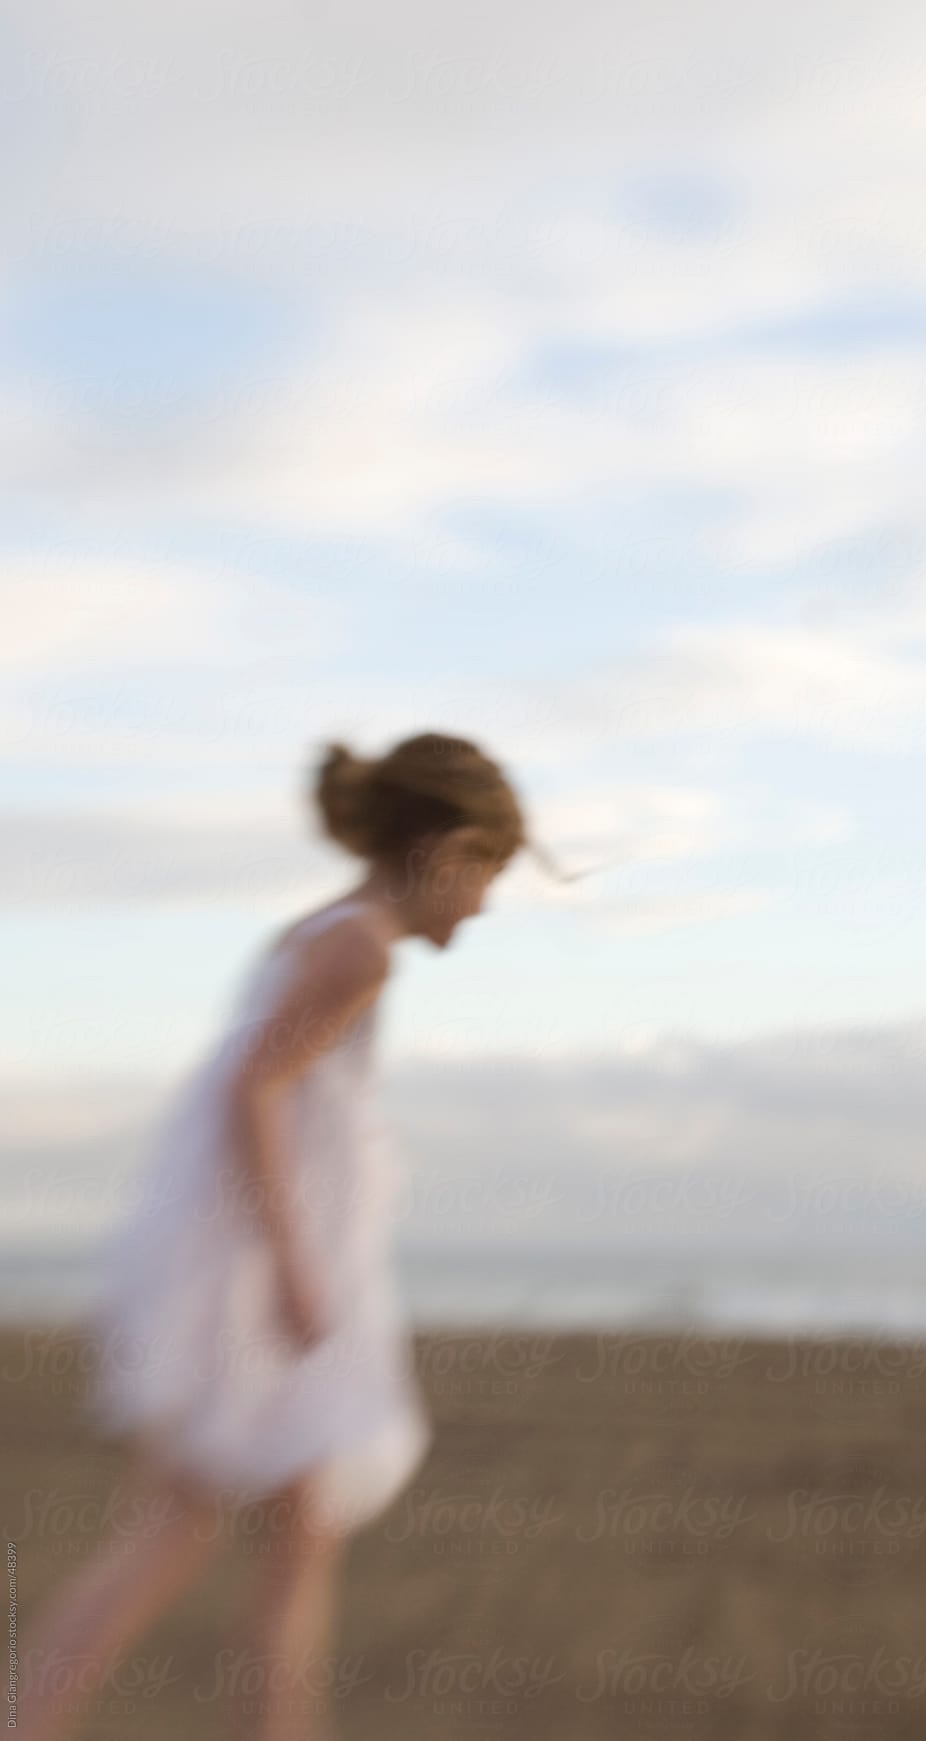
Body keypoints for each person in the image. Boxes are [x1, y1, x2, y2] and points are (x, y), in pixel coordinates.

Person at [17, 730, 575, 1741]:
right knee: (184, 1528)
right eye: (487, 874)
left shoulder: (324, 931)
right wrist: (291, 1267)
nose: (486, 904)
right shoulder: (357, 948)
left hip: (247, 1250)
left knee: (275, 1533)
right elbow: (253, 1091)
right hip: (262, 1263)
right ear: (448, 851)